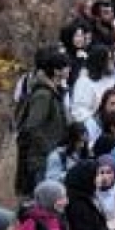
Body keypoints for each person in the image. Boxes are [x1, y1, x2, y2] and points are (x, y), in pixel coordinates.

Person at [15, 51, 70, 196]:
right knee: (41, 200)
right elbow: (32, 126)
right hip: (41, 159)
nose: (69, 70)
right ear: (56, 71)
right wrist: (48, 148)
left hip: (50, 157)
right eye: (65, 67)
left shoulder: (54, 91)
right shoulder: (43, 95)